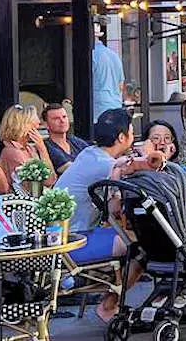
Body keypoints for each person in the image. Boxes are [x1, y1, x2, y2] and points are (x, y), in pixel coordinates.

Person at [57, 108, 162, 320]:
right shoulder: (104, 163)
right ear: (122, 137)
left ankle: (112, 299)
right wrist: (150, 153)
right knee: (143, 248)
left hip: (70, 235)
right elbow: (143, 166)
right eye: (132, 132)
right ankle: (108, 305)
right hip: (73, 241)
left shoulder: (90, 153)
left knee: (134, 238)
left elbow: (113, 207)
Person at [0, 104, 57, 189]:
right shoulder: (12, 152)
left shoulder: (30, 148)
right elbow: (29, 186)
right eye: (34, 121)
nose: (38, 123)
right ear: (23, 124)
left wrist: (42, 149)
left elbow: (50, 180)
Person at [92, 24, 126, 123]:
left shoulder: (91, 55)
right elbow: (121, 85)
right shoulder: (114, 55)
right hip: (115, 106)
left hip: (97, 110)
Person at [44, 103, 90, 174]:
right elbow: (66, 168)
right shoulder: (47, 146)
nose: (62, 121)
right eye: (56, 119)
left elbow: (94, 156)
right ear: (46, 124)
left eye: (64, 117)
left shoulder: (75, 141)